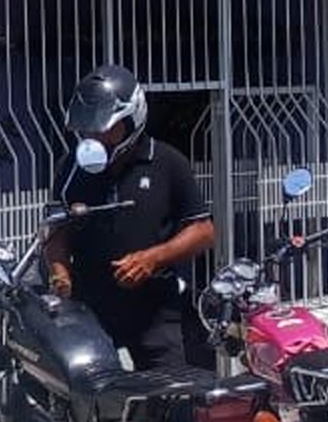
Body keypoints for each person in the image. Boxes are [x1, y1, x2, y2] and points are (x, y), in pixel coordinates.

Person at [38, 63, 219, 372]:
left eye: (105, 128)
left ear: (132, 119)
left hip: (154, 308)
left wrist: (152, 259)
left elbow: (203, 231)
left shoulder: (168, 163)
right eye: (88, 129)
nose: (94, 136)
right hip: (91, 307)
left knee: (168, 392)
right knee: (85, 389)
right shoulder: (71, 168)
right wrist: (60, 273)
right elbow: (57, 229)